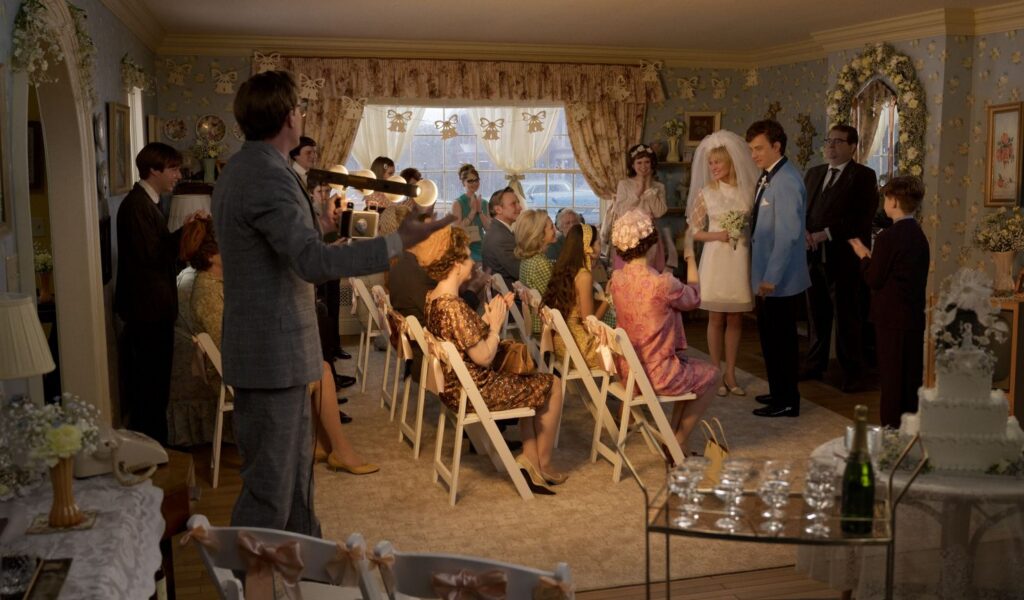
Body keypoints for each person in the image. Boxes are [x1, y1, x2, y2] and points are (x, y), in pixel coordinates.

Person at [212, 70, 451, 535]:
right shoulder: (266, 175)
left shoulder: (250, 168)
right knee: (272, 491)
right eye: (300, 109)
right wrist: (397, 241)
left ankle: (305, 563)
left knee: (295, 483)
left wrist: (321, 230)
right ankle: (255, 574)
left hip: (272, 352)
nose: (302, 116)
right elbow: (309, 263)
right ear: (289, 117)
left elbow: (281, 251)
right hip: (272, 355)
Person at [180, 217, 375, 474]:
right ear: (211, 256)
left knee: (317, 363)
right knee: (320, 370)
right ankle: (340, 450)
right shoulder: (207, 293)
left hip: (247, 368)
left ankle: (320, 445)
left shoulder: (220, 282)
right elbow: (233, 349)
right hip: (242, 379)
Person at [416, 226, 565, 493]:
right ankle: (543, 464)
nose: (472, 262)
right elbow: (484, 357)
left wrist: (491, 315)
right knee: (553, 385)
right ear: (456, 264)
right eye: (467, 256)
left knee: (527, 377)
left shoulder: (434, 299)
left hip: (452, 389)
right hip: (476, 391)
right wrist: (495, 327)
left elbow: (462, 337)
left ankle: (530, 459)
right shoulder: (453, 306)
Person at [607, 209, 717, 453]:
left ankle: (674, 438)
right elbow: (694, 298)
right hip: (657, 374)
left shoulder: (617, 278)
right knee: (711, 375)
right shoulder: (662, 283)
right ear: (652, 245)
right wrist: (690, 258)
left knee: (689, 370)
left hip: (627, 371)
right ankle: (679, 440)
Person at [115, 142, 189, 446]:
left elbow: (157, 251)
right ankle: (152, 449)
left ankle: (157, 447)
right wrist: (186, 233)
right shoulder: (137, 206)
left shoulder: (149, 203)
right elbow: (154, 256)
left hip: (153, 310)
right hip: (147, 312)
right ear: (153, 170)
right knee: (150, 386)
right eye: (173, 169)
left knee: (155, 386)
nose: (178, 175)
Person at [801, 125, 878, 392]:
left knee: (847, 316)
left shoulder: (863, 176)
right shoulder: (814, 173)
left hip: (844, 258)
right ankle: (814, 364)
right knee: (816, 312)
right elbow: (803, 209)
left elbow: (862, 217)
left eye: (838, 141)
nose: (831, 146)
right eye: (828, 141)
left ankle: (852, 372)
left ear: (852, 146)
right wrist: (805, 231)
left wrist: (826, 233)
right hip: (812, 254)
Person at [849, 177, 929, 428]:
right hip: (913, 316)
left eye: (886, 198)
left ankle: (891, 431)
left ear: (893, 202)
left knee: (892, 380)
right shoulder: (919, 234)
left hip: (890, 317)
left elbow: (874, 279)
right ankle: (910, 431)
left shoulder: (888, 237)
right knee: (910, 380)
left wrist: (864, 256)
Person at [686, 130, 759, 397]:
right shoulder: (706, 193)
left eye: (718, 162)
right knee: (716, 317)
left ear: (731, 162)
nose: (713, 167)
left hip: (739, 258)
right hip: (716, 258)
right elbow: (694, 231)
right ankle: (716, 371)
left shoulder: (748, 191)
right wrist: (718, 235)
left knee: (736, 318)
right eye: (710, 163)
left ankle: (731, 373)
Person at [746, 120, 810, 418]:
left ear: (777, 146)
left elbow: (788, 235)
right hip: (767, 275)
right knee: (770, 339)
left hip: (780, 279)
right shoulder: (769, 176)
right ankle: (778, 391)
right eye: (751, 149)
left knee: (782, 342)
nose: (754, 155)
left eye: (759, 148)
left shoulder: (787, 181)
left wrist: (770, 278)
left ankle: (787, 400)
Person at [543, 224, 608, 369]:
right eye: (598, 242)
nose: (600, 246)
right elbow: (589, 325)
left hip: (561, 344)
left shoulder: (564, 268)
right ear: (588, 248)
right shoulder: (584, 276)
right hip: (579, 349)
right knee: (625, 348)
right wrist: (608, 300)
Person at [602, 144, 667, 270]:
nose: (643, 166)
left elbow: (659, 212)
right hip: (628, 236)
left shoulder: (659, 187)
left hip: (650, 236)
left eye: (647, 162)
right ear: (632, 165)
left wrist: (648, 188)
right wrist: (638, 192)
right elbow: (620, 210)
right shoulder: (624, 184)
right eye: (639, 162)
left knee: (650, 273)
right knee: (627, 273)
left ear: (652, 163)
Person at [481, 187, 523, 283]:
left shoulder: (498, 230)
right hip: (509, 291)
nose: (520, 207)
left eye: (518, 203)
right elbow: (520, 272)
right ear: (498, 209)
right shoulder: (501, 237)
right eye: (513, 204)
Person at [452, 164, 491, 261]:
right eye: (470, 181)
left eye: (476, 180)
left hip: (482, 248)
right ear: (463, 183)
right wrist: (472, 212)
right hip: (464, 248)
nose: (474, 183)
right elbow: (457, 231)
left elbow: (489, 229)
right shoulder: (457, 203)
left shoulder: (484, 203)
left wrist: (480, 212)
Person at [516, 209, 556, 296]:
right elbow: (553, 295)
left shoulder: (528, 258)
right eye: (551, 227)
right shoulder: (540, 263)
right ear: (541, 235)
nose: (555, 230)